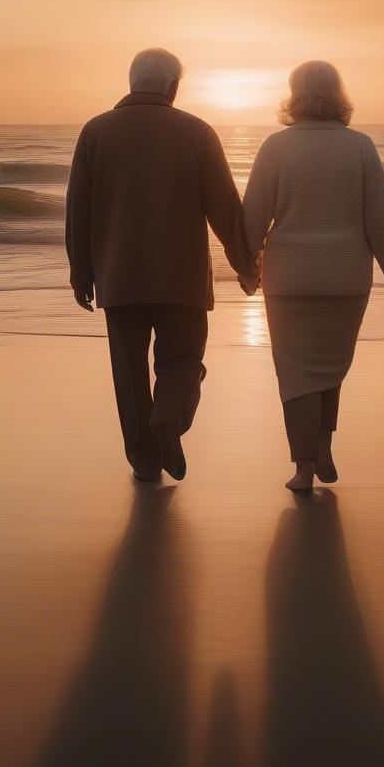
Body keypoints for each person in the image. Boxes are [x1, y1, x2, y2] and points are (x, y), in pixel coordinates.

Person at [66, 48, 258, 483]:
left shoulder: (95, 132)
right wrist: (247, 266)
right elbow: (225, 209)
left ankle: (145, 460)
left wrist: (81, 272)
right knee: (184, 359)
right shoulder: (197, 132)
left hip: (119, 276)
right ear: (173, 87)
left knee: (129, 372)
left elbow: (78, 208)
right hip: (182, 279)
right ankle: (169, 416)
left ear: (132, 82)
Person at [243, 61, 384, 492]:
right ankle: (323, 449)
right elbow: (382, 223)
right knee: (329, 368)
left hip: (291, 280)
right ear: (338, 93)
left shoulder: (276, 147)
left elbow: (252, 218)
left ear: (293, 93)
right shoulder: (360, 147)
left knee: (297, 372)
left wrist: (248, 268)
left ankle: (304, 467)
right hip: (346, 277)